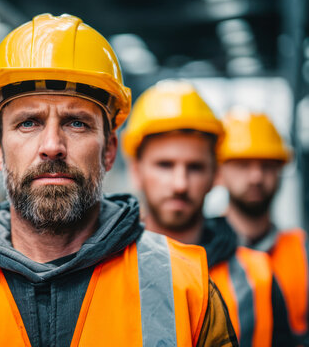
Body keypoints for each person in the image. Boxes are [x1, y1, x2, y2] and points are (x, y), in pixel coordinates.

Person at [0, 14, 237, 346]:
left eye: (76, 123)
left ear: (109, 150)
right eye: (28, 123)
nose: (52, 146)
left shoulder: (187, 288)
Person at [122, 80, 294, 346]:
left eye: (195, 167)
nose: (180, 184)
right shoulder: (105, 271)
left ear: (216, 174)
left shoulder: (258, 277)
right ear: (136, 171)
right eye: (165, 165)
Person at [218, 110, 308, 345]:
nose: (256, 176)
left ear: (280, 171)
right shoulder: (199, 251)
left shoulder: (303, 251)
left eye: (267, 165)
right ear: (219, 172)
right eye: (243, 165)